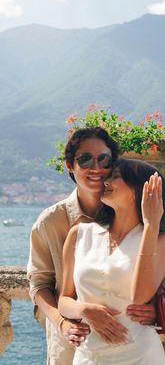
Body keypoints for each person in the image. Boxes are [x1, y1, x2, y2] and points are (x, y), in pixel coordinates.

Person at [27, 128, 156, 365]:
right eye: (85, 159)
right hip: (72, 344)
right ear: (69, 165)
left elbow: (160, 278)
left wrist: (155, 308)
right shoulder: (51, 222)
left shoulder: (142, 224)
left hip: (133, 349)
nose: (95, 168)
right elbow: (39, 284)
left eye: (104, 159)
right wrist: (63, 322)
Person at [59, 158, 165, 365]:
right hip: (89, 356)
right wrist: (83, 310)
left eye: (115, 176)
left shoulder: (163, 242)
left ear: (140, 188)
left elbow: (139, 297)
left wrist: (151, 225)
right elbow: (64, 301)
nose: (106, 182)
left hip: (141, 354)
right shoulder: (79, 234)